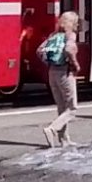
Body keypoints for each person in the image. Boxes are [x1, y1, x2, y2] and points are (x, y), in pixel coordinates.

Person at [39, 12, 81, 147]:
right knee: (72, 108)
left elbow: (39, 51)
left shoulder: (53, 35)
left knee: (62, 107)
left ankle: (64, 140)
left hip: (52, 72)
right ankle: (52, 129)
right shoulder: (70, 35)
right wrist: (75, 64)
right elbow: (69, 50)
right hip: (65, 72)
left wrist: (49, 63)